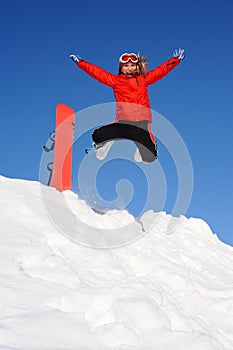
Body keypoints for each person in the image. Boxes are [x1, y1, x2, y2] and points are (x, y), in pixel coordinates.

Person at [70, 49, 185, 163]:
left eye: (132, 65)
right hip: (123, 122)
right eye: (126, 66)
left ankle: (141, 149)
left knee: (149, 158)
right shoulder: (116, 81)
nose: (129, 68)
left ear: (137, 67)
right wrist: (81, 63)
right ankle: (104, 144)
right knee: (97, 135)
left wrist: (175, 60)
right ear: (121, 67)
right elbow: (97, 72)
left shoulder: (143, 80)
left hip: (141, 124)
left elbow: (160, 71)